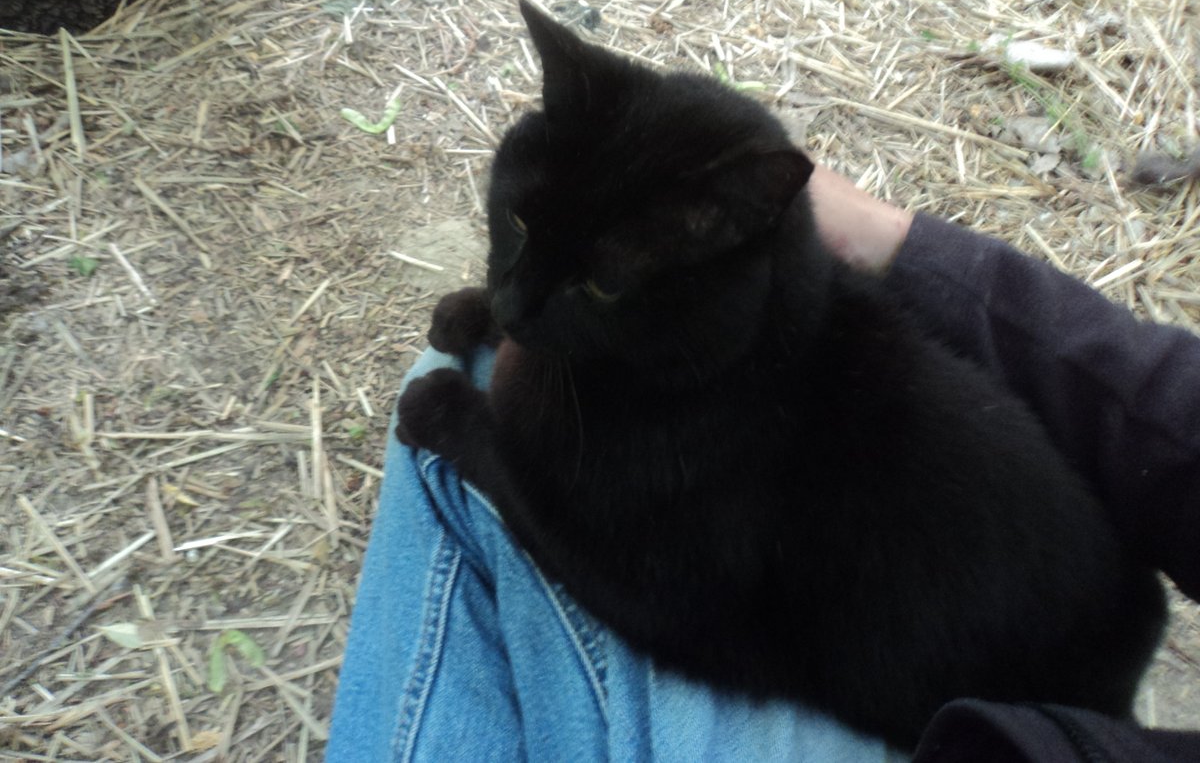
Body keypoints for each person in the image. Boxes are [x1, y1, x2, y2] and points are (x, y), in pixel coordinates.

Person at [327, 168, 1200, 762]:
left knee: (467, 395)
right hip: (1052, 689)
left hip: (961, 724)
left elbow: (669, 607)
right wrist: (901, 247)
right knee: (510, 373)